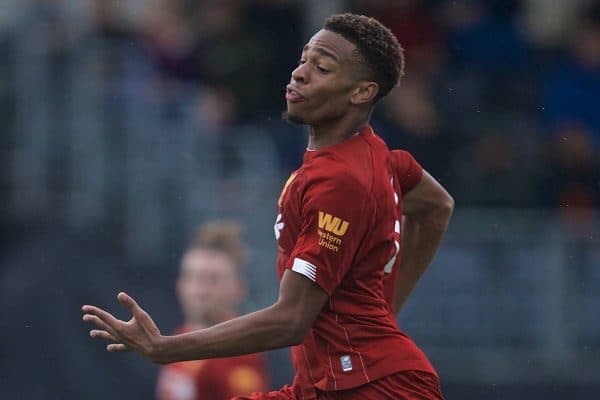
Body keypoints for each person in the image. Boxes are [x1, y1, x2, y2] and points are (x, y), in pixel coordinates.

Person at [83, 13, 454, 400]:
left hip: (375, 387)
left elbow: (291, 320)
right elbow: (435, 208)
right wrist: (382, 313)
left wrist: (165, 348)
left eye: (322, 67)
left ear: (361, 93)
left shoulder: (339, 181)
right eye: (304, 59)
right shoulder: (382, 160)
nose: (299, 73)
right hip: (329, 384)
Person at [156, 222, 270, 400]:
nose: (200, 291)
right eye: (192, 277)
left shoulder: (240, 353)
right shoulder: (177, 339)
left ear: (239, 289)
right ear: (179, 285)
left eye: (213, 280)